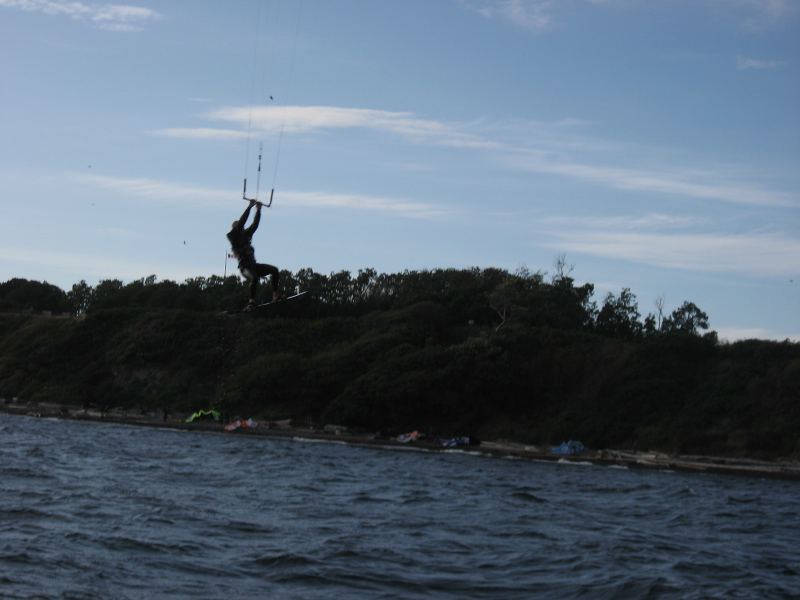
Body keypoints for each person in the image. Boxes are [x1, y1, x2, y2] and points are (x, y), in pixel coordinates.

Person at [227, 199, 281, 308]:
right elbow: (242, 222)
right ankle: (251, 301)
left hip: (254, 266)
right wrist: (249, 206)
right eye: (240, 227)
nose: (242, 228)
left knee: (275, 270)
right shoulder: (232, 236)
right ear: (235, 229)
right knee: (255, 278)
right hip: (244, 268)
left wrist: (258, 210)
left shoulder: (245, 235)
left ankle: (275, 295)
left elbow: (254, 225)